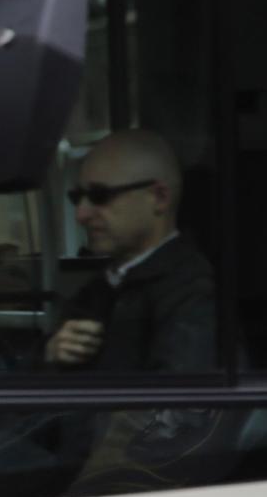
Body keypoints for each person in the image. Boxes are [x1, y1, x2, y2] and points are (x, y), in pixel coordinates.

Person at [44, 129, 215, 374]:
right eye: (77, 197)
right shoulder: (100, 289)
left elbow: (178, 407)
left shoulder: (195, 297)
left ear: (159, 197)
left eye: (99, 195)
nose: (81, 214)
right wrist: (50, 353)